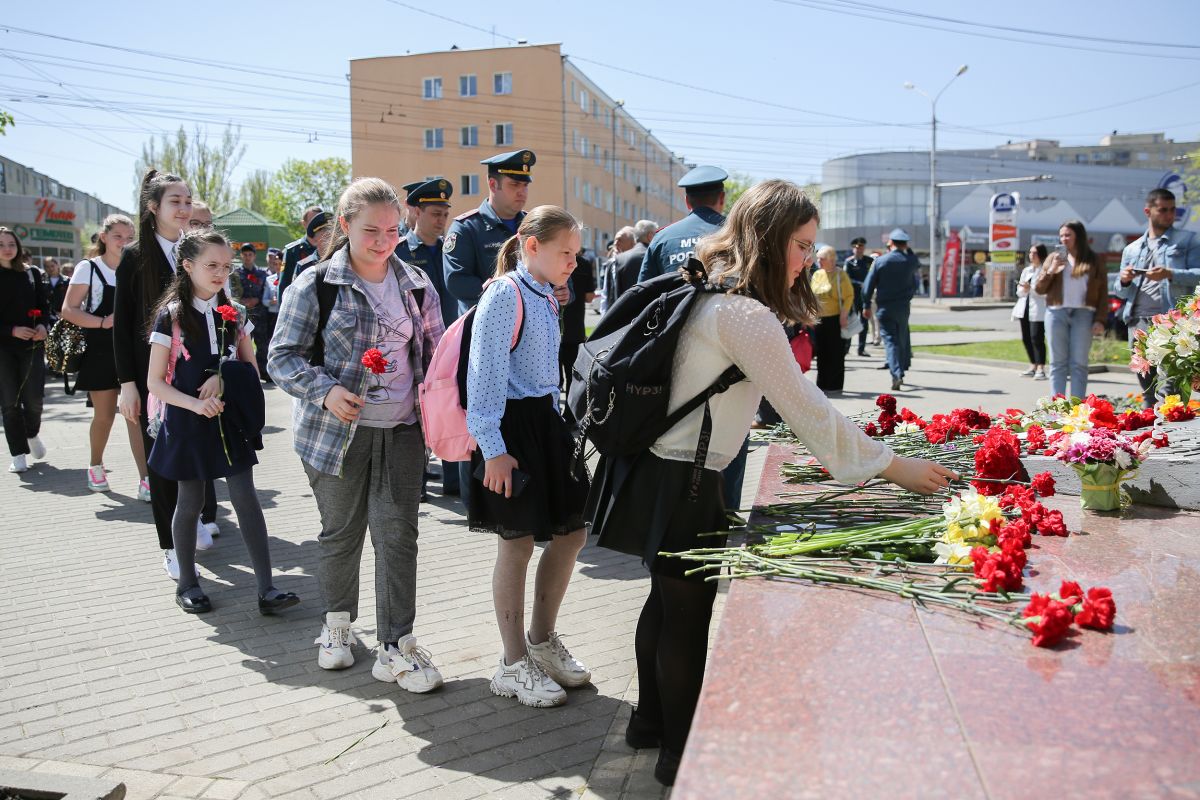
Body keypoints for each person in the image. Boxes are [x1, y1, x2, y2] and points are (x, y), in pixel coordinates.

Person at [587, 180, 956, 786]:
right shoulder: (744, 313)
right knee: (687, 616)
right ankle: (680, 758)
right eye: (802, 245)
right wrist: (897, 468)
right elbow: (807, 410)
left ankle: (648, 724)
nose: (808, 259)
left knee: (664, 600)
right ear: (770, 238)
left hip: (657, 467)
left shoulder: (706, 284)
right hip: (687, 481)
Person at [269, 178, 446, 692]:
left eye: (393, 230)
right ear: (345, 226)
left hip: (403, 431)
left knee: (397, 538)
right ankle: (337, 629)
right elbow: (281, 357)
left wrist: (445, 416)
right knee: (341, 534)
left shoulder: (417, 284)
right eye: (371, 230)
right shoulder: (315, 283)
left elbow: (435, 362)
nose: (383, 240)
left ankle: (396, 646)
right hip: (335, 435)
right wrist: (324, 391)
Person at [466, 205, 592, 709]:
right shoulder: (505, 294)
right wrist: (493, 449)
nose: (573, 264)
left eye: (577, 255)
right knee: (515, 544)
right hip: (511, 429)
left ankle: (542, 642)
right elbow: (484, 376)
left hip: (546, 422)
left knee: (572, 532)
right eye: (566, 253)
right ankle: (512, 662)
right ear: (531, 245)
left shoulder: (546, 295)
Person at [144, 227, 298, 616]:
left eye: (226, 267)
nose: (219, 274)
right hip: (188, 422)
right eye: (211, 265)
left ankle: (267, 588)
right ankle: (188, 583)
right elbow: (155, 383)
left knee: (246, 497)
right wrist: (195, 406)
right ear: (188, 265)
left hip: (228, 421)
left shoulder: (235, 313)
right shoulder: (172, 317)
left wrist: (223, 378)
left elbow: (250, 365)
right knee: (190, 500)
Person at [445, 149, 569, 507]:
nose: (522, 192)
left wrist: (555, 288)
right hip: (485, 343)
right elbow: (457, 281)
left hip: (529, 356)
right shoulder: (468, 227)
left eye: (525, 184)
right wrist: (513, 290)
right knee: (483, 441)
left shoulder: (534, 225)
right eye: (515, 184)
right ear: (493, 184)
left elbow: (554, 284)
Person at [115, 169, 196, 578]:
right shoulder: (134, 256)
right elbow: (123, 325)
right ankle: (170, 546)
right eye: (174, 201)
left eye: (187, 200)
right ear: (153, 208)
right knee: (161, 463)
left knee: (194, 456)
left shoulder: (196, 247)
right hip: (152, 379)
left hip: (194, 372)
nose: (183, 208)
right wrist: (127, 385)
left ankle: (197, 520)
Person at [61, 214, 151, 495]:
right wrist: (102, 322)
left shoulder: (137, 267)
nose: (124, 243)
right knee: (104, 416)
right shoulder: (88, 268)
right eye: (117, 237)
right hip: (100, 350)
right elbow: (68, 310)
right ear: (104, 237)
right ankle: (95, 466)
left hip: (131, 349)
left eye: (128, 237)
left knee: (135, 415)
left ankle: (146, 480)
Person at [395, 178, 459, 497]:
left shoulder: (453, 250)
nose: (441, 220)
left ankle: (454, 479)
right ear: (416, 212)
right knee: (416, 412)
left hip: (451, 344)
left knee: (449, 407)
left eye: (445, 213)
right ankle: (416, 480)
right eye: (435, 213)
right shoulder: (400, 251)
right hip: (415, 347)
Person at [1114, 188, 1200, 407]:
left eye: (1172, 210)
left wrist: (1170, 274)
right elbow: (1120, 291)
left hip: (1171, 320)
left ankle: (1172, 433)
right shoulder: (1132, 248)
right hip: (1138, 319)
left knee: (1171, 385)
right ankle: (1151, 433)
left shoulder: (1187, 240)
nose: (1169, 215)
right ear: (1148, 211)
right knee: (1146, 382)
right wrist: (1124, 280)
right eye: (1163, 210)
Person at [1035, 220, 1107, 399]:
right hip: (1056, 313)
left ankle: (1076, 407)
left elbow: (1103, 292)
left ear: (1078, 237)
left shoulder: (1093, 259)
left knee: (1079, 363)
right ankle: (1057, 407)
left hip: (1083, 313)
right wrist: (1051, 271)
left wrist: (1100, 319)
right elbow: (1039, 289)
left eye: (1068, 235)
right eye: (1061, 235)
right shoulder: (1054, 258)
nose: (1064, 239)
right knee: (1057, 363)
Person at [0, 227, 50, 474]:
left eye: (11, 243)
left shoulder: (32, 273)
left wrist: (43, 325)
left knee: (34, 400)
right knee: (9, 402)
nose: (7, 248)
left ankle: (31, 433)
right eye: (1, 244)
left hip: (32, 345)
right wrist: (11, 330)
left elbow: (43, 306)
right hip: (4, 348)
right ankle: (18, 453)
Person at [636, 167, 726, 283]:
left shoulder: (662, 238)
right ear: (722, 198)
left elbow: (643, 291)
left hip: (675, 301)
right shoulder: (740, 232)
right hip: (730, 300)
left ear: (687, 202)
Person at [862, 229, 921, 391]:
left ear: (891, 243)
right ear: (906, 244)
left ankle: (896, 373)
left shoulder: (881, 261)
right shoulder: (910, 261)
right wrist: (905, 247)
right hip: (903, 307)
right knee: (901, 338)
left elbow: (868, 286)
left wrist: (866, 305)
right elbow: (915, 269)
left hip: (884, 307)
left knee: (890, 340)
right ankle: (900, 369)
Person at [809, 245, 854, 393]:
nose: (819, 261)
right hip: (819, 320)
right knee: (821, 352)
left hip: (835, 319)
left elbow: (849, 296)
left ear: (831, 259)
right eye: (818, 259)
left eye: (822, 259)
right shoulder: (817, 274)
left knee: (835, 352)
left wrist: (844, 314)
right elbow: (811, 296)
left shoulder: (840, 275)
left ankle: (835, 385)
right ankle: (822, 384)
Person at [1013, 245, 1048, 381]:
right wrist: (1023, 289)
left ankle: (1041, 367)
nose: (1031, 255)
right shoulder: (1027, 270)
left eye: (1035, 253)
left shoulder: (1045, 271)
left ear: (1041, 255)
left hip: (1039, 308)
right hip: (1025, 307)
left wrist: (1031, 288)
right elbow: (1019, 291)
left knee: (1037, 338)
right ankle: (1033, 365)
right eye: (1030, 252)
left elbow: (1045, 291)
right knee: (1026, 338)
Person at [234, 244, 270, 378]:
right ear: (241, 256)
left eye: (250, 254)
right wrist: (241, 301)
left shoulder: (262, 274)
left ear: (254, 256)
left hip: (260, 314)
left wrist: (258, 299)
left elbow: (268, 291)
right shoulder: (236, 274)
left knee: (262, 345)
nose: (247, 257)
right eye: (245, 254)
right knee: (242, 345)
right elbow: (232, 291)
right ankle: (245, 374)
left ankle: (262, 372)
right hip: (243, 315)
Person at [607, 220, 657, 310]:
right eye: (655, 234)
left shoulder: (619, 259)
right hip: (651, 315)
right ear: (650, 236)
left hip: (625, 315)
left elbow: (612, 295)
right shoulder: (656, 255)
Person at [278, 206, 324, 295]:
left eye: (319, 222)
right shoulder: (292, 251)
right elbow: (284, 285)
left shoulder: (330, 248)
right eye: (313, 221)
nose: (317, 225)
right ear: (304, 224)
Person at [843, 236, 873, 356]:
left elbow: (873, 275)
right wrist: (859, 283)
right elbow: (846, 278)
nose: (859, 249)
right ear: (853, 249)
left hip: (865, 296)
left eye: (861, 247)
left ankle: (861, 349)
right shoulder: (849, 262)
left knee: (864, 322)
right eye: (856, 247)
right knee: (851, 321)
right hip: (852, 296)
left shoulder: (869, 261)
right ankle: (846, 348)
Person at [260, 247, 282, 382]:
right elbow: (264, 300)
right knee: (271, 344)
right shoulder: (270, 279)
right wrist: (271, 302)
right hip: (273, 316)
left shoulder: (292, 278)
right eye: (275, 264)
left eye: (280, 264)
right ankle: (271, 372)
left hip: (284, 315)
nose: (278, 266)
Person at [43, 257, 68, 331]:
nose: (50, 268)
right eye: (47, 266)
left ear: (58, 265)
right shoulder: (42, 281)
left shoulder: (66, 281)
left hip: (63, 316)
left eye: (52, 266)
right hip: (47, 317)